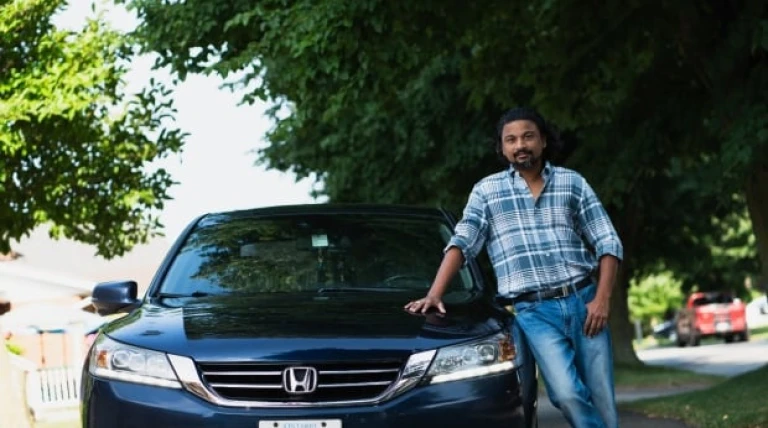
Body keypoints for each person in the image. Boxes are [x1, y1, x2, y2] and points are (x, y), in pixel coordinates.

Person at [405, 107, 623, 428]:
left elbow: (608, 242)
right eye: (511, 140)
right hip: (535, 313)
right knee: (566, 394)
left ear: (543, 141)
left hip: (585, 302)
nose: (520, 144)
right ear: (502, 148)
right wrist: (435, 293)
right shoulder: (487, 192)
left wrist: (602, 299)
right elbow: (462, 242)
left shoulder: (571, 183)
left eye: (528, 136)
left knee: (602, 396)